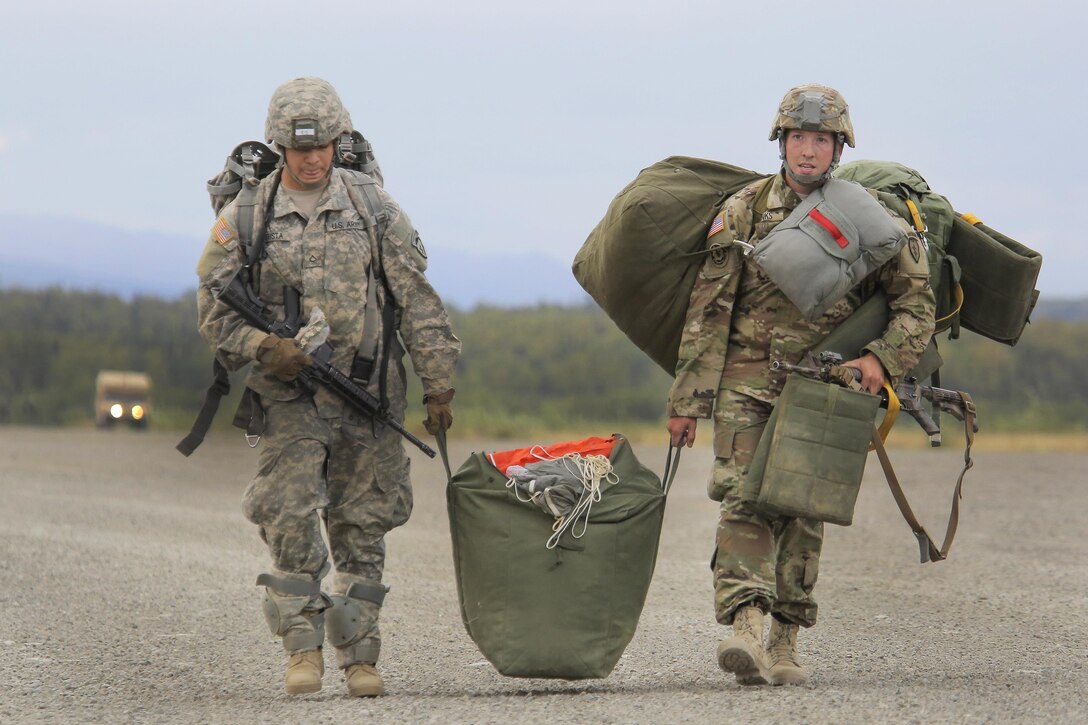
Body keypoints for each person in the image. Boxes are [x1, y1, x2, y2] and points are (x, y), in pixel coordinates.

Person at [195, 76, 461, 697]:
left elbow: (415, 298)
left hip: (370, 395)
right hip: (288, 399)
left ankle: (361, 657)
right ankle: (302, 651)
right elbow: (213, 309)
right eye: (296, 148)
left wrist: (438, 383)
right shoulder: (246, 216)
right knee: (287, 517)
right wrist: (264, 346)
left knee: (363, 524)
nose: (311, 159)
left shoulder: (374, 207)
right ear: (278, 147)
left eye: (321, 146)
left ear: (339, 141)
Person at [665, 84, 935, 686]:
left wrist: (881, 362)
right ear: (780, 142)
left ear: (838, 147)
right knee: (743, 497)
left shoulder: (872, 219)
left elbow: (916, 305)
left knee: (804, 508)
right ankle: (746, 626)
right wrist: (688, 401)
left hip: (827, 386)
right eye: (797, 138)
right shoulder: (742, 211)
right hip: (746, 380)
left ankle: (786, 638)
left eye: (820, 139)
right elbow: (709, 310)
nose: (807, 151)